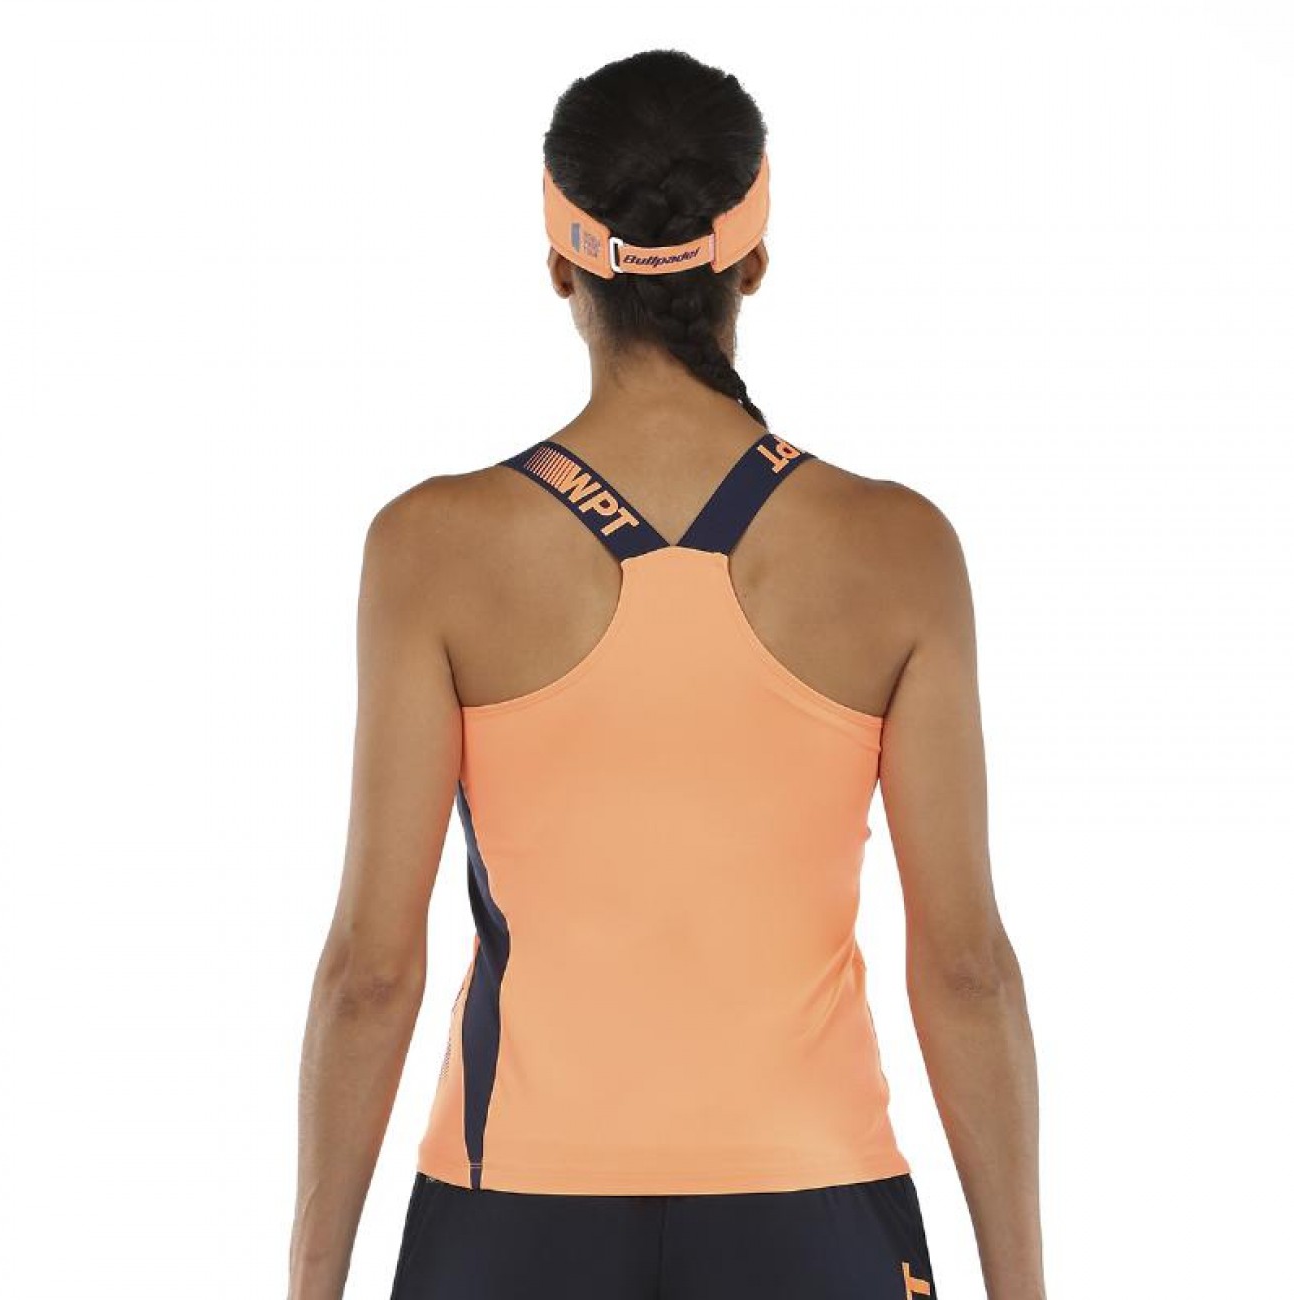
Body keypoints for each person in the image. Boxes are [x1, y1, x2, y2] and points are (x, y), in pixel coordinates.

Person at [288, 48, 1045, 1300]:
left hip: (509, 1218)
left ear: (559, 262)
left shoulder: (431, 548)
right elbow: (966, 970)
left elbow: (369, 973)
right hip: (814, 1216)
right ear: (752, 258)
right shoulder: (899, 548)